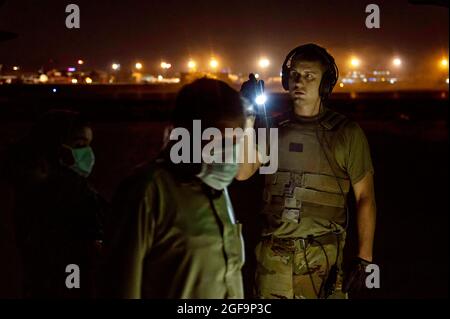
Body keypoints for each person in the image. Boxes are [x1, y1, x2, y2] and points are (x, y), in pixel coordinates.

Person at [237, 43, 376, 299]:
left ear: (325, 85)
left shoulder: (346, 133)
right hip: (273, 263)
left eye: (310, 76)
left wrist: (364, 259)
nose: (299, 82)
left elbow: (365, 197)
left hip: (322, 260)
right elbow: (243, 172)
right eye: (294, 76)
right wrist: (248, 116)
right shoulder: (273, 128)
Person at [101, 78, 248, 299]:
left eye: (235, 140)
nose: (229, 151)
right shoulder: (148, 192)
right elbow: (120, 285)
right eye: (220, 140)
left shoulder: (216, 187)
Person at [4, 109, 106, 298]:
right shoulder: (68, 195)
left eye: (88, 145)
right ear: (55, 147)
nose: (87, 153)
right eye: (79, 144)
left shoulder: (29, 191)